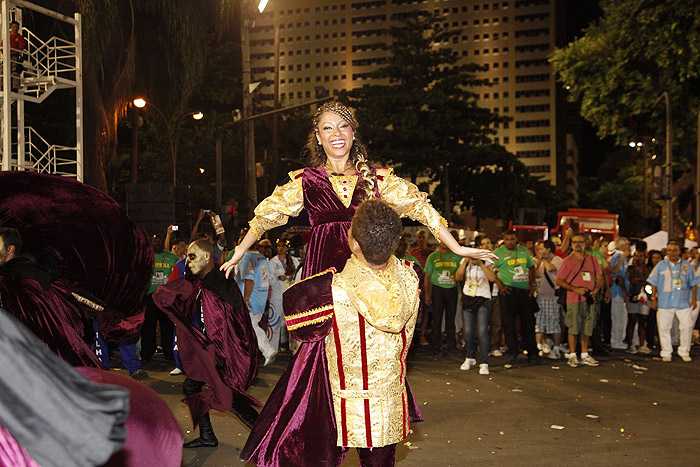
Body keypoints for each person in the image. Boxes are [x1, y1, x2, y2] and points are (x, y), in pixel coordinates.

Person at [228, 101, 494, 467]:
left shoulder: (378, 180)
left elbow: (422, 210)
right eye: (327, 129)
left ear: (354, 133)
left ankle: (375, 445)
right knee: (317, 365)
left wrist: (458, 247)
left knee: (372, 360)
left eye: (343, 127)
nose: (336, 134)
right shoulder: (306, 181)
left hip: (370, 275)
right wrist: (240, 250)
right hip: (326, 279)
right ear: (318, 138)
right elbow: (265, 215)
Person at [264, 199, 420, 465]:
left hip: (338, 403)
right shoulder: (411, 274)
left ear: (355, 244)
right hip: (389, 401)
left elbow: (297, 325)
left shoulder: (329, 287)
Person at [153, 239, 260, 448]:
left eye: (192, 256)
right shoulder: (198, 282)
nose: (188, 261)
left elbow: (234, 327)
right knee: (192, 385)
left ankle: (268, 438)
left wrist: (223, 357)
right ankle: (208, 436)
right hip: (207, 351)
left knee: (230, 398)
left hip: (219, 354)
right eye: (187, 257)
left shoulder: (220, 283)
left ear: (207, 256)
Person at [557, 233, 604, 368]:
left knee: (587, 327)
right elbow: (560, 280)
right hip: (574, 298)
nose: (578, 244)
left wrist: (596, 289)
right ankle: (572, 354)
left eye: (580, 242)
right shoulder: (567, 260)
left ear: (585, 243)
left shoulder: (592, 259)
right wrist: (574, 289)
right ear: (571, 244)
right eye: (575, 242)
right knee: (574, 326)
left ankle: (584, 354)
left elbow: (600, 276)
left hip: (589, 298)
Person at [647, 241, 699, 362]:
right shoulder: (661, 265)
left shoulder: (687, 266)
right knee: (664, 328)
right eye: (669, 250)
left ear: (679, 251)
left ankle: (684, 351)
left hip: (683, 302)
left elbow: (694, 283)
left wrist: (694, 299)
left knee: (686, 327)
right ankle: (666, 352)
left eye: (675, 250)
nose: (672, 253)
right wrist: (654, 298)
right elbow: (653, 283)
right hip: (665, 302)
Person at [493, 230, 539, 364]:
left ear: (516, 239)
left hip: (524, 292)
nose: (510, 242)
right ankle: (512, 352)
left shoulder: (523, 251)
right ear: (503, 240)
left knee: (528, 323)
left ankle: (532, 353)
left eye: (512, 239)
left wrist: (532, 284)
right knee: (508, 324)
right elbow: (488, 269)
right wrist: (499, 283)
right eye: (507, 239)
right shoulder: (498, 253)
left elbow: (532, 267)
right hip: (507, 292)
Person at [455, 235, 496, 374]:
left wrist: (480, 264)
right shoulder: (466, 260)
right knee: (468, 331)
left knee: (483, 331)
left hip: (484, 298)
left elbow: (492, 278)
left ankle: (484, 361)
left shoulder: (489, 261)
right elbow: (458, 277)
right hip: (468, 297)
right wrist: (465, 261)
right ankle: (470, 356)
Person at [236, 239, 278, 366]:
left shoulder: (247, 259)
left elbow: (249, 280)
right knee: (249, 328)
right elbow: (266, 279)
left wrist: (246, 298)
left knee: (251, 326)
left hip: (250, 301)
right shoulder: (262, 259)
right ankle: (248, 357)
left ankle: (267, 351)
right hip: (260, 299)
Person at [141, 234, 178, 363]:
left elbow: (177, 276)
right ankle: (146, 354)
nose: (157, 242)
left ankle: (169, 353)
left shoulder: (172, 257)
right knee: (148, 326)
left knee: (167, 326)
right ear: (151, 242)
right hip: (149, 296)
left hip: (165, 296)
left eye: (160, 240)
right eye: (155, 240)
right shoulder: (145, 257)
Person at [424, 238, 461, 355]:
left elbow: (461, 274)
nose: (444, 242)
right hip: (437, 290)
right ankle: (435, 346)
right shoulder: (432, 256)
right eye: (442, 240)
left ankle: (451, 346)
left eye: (447, 240)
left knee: (451, 319)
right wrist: (427, 294)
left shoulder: (456, 256)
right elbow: (427, 277)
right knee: (437, 319)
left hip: (452, 289)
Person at [268, 236, 299, 351]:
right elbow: (269, 279)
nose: (280, 248)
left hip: (289, 295)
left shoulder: (294, 261)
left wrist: (290, 277)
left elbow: (297, 277)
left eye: (283, 246)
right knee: (274, 322)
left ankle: (290, 347)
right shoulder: (273, 262)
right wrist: (277, 278)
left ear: (287, 248)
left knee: (289, 322)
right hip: (277, 296)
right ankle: (271, 349)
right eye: (279, 246)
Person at [534, 240, 563, 359]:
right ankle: (539, 347)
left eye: (542, 249)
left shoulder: (557, 260)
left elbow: (551, 269)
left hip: (552, 297)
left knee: (553, 323)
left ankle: (556, 349)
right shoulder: (541, 262)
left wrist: (544, 259)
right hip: (540, 296)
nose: (540, 252)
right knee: (539, 324)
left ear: (548, 249)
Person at [409, 229, 434, 346]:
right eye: (419, 237)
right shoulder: (412, 253)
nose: (421, 240)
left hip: (427, 285)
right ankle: (412, 336)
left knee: (426, 311)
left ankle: (423, 335)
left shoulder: (431, 253)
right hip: (415, 286)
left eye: (423, 237)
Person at [626, 249, 652, 354]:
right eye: (637, 256)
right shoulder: (630, 268)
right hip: (633, 295)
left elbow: (651, 280)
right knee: (632, 319)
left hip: (646, 295)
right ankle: (630, 343)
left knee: (643, 319)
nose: (639, 258)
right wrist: (643, 281)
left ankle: (642, 344)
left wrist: (641, 281)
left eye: (641, 256)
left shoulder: (648, 269)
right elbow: (631, 279)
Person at [607, 237, 631, 350]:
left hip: (618, 291)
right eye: (626, 244)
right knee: (619, 317)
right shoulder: (619, 257)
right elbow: (619, 276)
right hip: (618, 291)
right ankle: (617, 340)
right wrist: (625, 291)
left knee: (620, 317)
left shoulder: (619, 257)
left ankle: (618, 339)